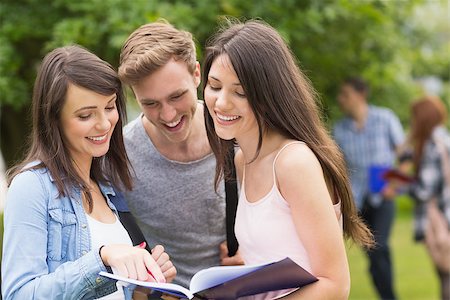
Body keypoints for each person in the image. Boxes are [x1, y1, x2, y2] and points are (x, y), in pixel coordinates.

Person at [202, 20, 373, 299]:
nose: (221, 103)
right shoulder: (244, 159)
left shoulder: (293, 163)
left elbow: (335, 284)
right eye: (214, 86)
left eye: (240, 92)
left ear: (268, 95)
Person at [1, 45, 176, 300]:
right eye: (85, 115)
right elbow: (19, 294)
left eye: (109, 107)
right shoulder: (31, 187)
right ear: (54, 118)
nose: (104, 124)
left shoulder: (108, 186)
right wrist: (102, 258)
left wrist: (146, 286)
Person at [118, 21, 242, 288]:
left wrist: (256, 253)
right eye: (150, 103)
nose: (168, 115)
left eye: (176, 96)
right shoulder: (119, 158)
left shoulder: (238, 135)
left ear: (197, 74)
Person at [333, 77, 405, 299]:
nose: (340, 99)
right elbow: (339, 168)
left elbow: (405, 156)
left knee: (380, 247)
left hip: (383, 196)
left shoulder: (385, 118)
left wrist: (393, 186)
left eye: (345, 94)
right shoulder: (339, 129)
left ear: (361, 94)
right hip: (356, 202)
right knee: (373, 253)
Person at [407, 96, 450, 300]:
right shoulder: (444, 138)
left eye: (414, 117)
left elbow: (424, 190)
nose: (412, 122)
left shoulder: (433, 145)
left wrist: (400, 183)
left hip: (439, 219)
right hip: (445, 213)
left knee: (446, 275)